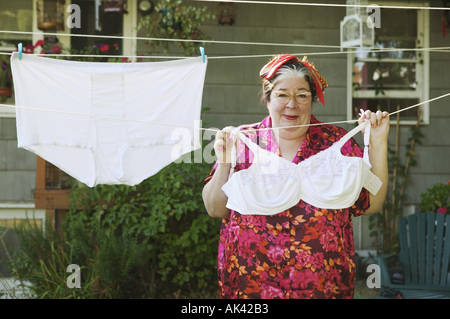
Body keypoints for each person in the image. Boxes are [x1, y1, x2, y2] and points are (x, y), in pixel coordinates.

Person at [202, 54, 389, 299]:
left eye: (302, 95)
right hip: (252, 287)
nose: (292, 104)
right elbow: (215, 208)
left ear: (312, 100)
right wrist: (225, 162)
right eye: (282, 94)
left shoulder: (336, 143)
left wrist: (378, 143)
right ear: (267, 98)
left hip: (323, 287)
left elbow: (372, 204)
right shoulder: (243, 141)